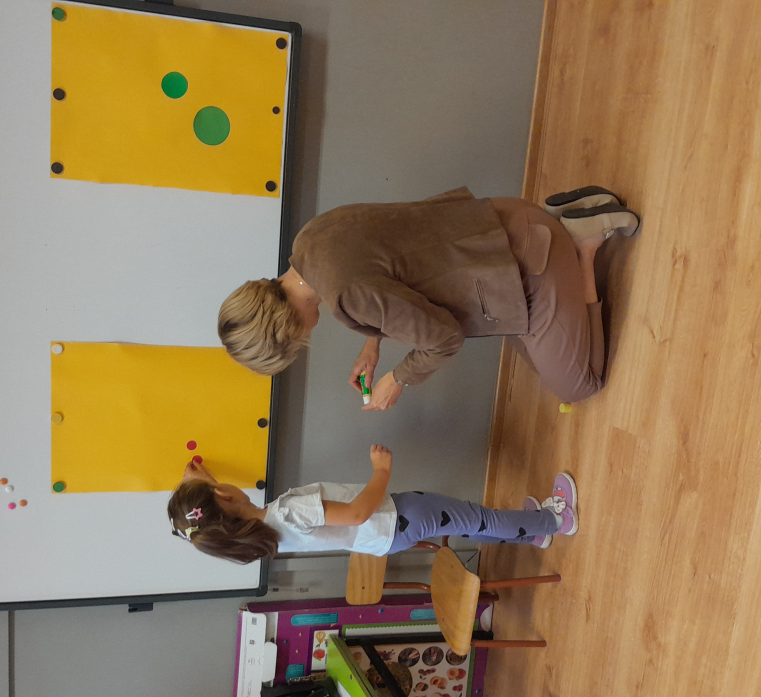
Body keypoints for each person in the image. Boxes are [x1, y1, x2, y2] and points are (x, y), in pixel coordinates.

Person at [217, 186, 639, 410]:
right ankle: (559, 221)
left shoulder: (346, 296)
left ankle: (582, 245)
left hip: (527, 266)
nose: (305, 341)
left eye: (294, 347)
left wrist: (396, 381)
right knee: (534, 351)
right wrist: (372, 344)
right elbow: (387, 264)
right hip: (504, 218)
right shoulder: (308, 241)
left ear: (286, 331)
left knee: (578, 387)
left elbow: (444, 338)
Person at [166, 447, 579, 563]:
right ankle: (553, 520)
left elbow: (227, 508)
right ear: (224, 497)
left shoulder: (262, 536)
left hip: (386, 538)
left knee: (467, 524)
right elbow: (358, 513)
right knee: (477, 518)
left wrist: (207, 485)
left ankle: (530, 531)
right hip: (398, 517)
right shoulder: (288, 510)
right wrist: (381, 471)